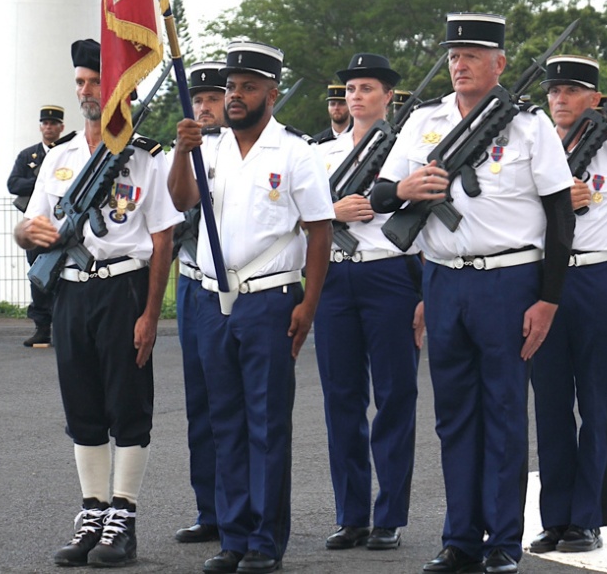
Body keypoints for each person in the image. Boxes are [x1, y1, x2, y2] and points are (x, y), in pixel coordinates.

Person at [370, 13, 575, 574]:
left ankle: (504, 540)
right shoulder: (423, 121)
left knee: (504, 412)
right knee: (454, 415)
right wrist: (406, 187)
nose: (459, 64)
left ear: (499, 64)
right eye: (454, 56)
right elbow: (382, 194)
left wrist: (549, 299)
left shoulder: (530, 127)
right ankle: (459, 538)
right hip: (443, 279)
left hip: (510, 281)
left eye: (472, 56)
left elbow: (561, 216)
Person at [168, 41, 334, 574]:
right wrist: (182, 152)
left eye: (248, 87)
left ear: (272, 94)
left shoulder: (295, 152)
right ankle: (233, 537)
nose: (236, 96)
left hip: (270, 299)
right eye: (232, 87)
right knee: (226, 423)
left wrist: (309, 304)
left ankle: (264, 542)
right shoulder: (210, 147)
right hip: (213, 301)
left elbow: (320, 231)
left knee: (266, 424)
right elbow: (181, 200)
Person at [16, 39, 180, 569]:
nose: (88, 92)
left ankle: (123, 517)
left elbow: (163, 239)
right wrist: (28, 233)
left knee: (128, 406)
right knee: (82, 406)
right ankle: (92, 512)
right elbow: (29, 224)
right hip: (71, 290)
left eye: (97, 83)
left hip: (123, 287)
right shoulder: (59, 156)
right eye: (82, 83)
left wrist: (151, 315)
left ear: (119, 90)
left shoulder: (144, 157)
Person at [528, 55, 607, 556]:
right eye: (553, 91)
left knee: (596, 404)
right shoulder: (532, 149)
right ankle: (556, 516)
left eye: (570, 90)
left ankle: (587, 518)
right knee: (550, 405)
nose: (558, 99)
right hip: (543, 282)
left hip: (596, 279)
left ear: (595, 100)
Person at [313, 52, 423, 554]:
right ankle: (351, 515)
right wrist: (331, 210)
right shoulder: (321, 154)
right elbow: (299, 214)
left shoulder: (408, 151)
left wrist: (425, 293)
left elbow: (427, 220)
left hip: (390, 274)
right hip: (335, 276)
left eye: (367, 88)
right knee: (341, 398)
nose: (356, 97)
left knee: (395, 396)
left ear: (388, 97)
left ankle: (389, 517)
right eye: (351, 89)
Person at [171, 60, 227, 546]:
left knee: (236, 403)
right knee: (200, 403)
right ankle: (208, 509)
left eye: (212, 98)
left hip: (232, 285)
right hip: (191, 282)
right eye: (198, 100)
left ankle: (240, 509)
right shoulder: (182, 152)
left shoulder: (241, 150)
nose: (204, 107)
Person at [6, 104, 70, 348]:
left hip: (62, 225)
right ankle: (42, 327)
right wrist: (43, 183)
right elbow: (13, 184)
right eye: (45, 123)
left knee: (65, 277)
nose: (49, 127)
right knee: (39, 275)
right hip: (36, 225)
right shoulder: (28, 156)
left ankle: (63, 326)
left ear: (61, 127)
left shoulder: (67, 153)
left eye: (53, 124)